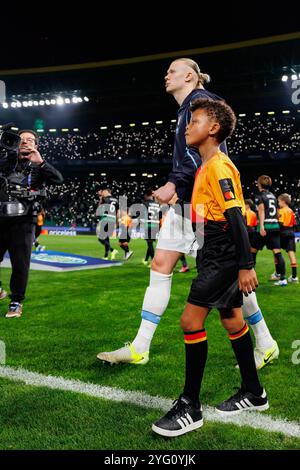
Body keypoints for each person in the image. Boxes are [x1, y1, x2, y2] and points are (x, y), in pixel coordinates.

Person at [97, 58, 278, 369]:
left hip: (205, 204)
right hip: (188, 202)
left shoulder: (201, 102)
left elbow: (202, 151)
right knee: (161, 263)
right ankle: (140, 346)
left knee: (226, 278)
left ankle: (265, 342)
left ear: (190, 76)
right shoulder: (186, 109)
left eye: (172, 71)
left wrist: (174, 181)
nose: (166, 75)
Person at [152, 99, 268, 438]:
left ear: (213, 129)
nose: (188, 126)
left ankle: (190, 406)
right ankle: (254, 392)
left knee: (190, 320)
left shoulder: (218, 165)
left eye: (196, 120)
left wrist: (245, 265)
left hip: (223, 254)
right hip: (214, 250)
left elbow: (235, 216)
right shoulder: (206, 167)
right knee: (232, 319)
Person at [0, 129, 63, 318]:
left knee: (20, 264)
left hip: (24, 221)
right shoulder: (4, 161)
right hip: (1, 219)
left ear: (36, 145)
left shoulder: (39, 165)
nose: (25, 142)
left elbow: (58, 180)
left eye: (30, 140)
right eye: (22, 139)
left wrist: (41, 163)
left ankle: (16, 301)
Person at [251, 175, 287, 286]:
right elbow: (276, 213)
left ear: (259, 184)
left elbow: (261, 211)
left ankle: (251, 278)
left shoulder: (259, 196)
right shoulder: (273, 196)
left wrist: (261, 226)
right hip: (274, 227)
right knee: (277, 253)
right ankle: (283, 279)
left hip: (265, 227)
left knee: (252, 252)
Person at [276, 193, 298, 283]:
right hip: (291, 232)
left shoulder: (281, 211)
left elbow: (280, 224)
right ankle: (294, 277)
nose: (278, 203)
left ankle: (278, 274)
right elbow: (294, 223)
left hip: (282, 233)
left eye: (279, 201)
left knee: (276, 252)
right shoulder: (291, 211)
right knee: (291, 254)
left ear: (283, 201)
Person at [95, 188, 119, 260]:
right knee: (106, 237)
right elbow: (117, 212)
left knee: (100, 238)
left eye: (104, 191)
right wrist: (117, 222)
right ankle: (106, 256)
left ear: (108, 192)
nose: (103, 192)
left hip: (106, 218)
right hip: (112, 219)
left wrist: (100, 197)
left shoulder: (105, 198)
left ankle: (113, 250)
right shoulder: (116, 200)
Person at [141, 189, 161, 267]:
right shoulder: (157, 204)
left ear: (146, 195)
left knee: (149, 244)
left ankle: (153, 262)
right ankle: (146, 259)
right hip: (156, 225)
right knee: (150, 244)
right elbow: (160, 215)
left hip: (148, 225)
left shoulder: (144, 203)